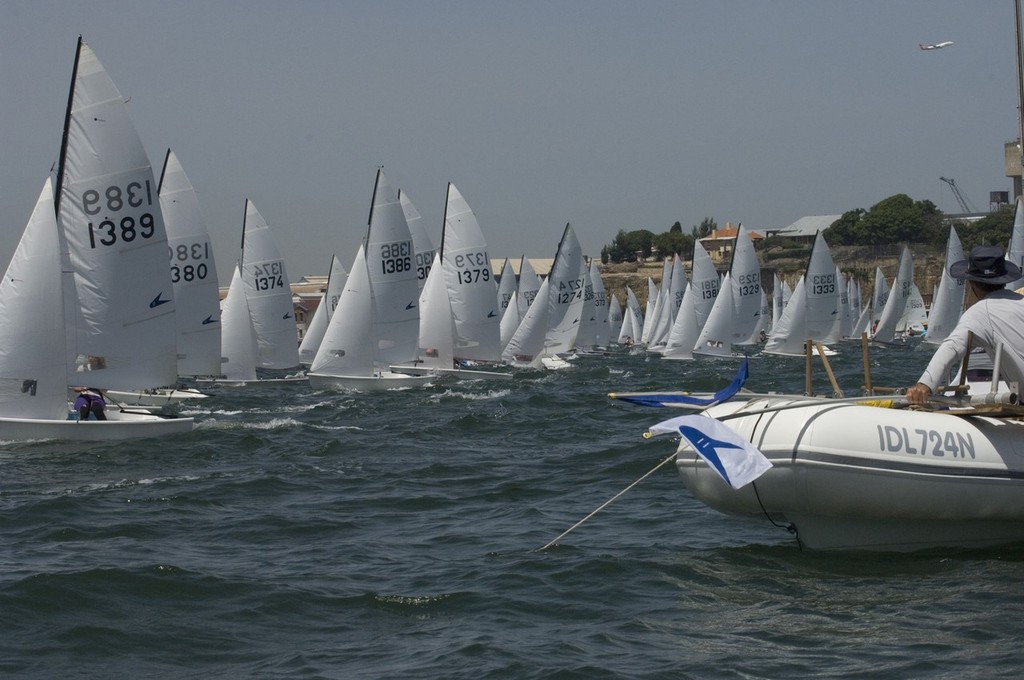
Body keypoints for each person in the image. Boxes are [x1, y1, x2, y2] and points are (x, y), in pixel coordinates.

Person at [906, 245, 1024, 405]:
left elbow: (953, 347)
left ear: (972, 284)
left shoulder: (981, 312)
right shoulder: (1020, 301)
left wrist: (924, 385)